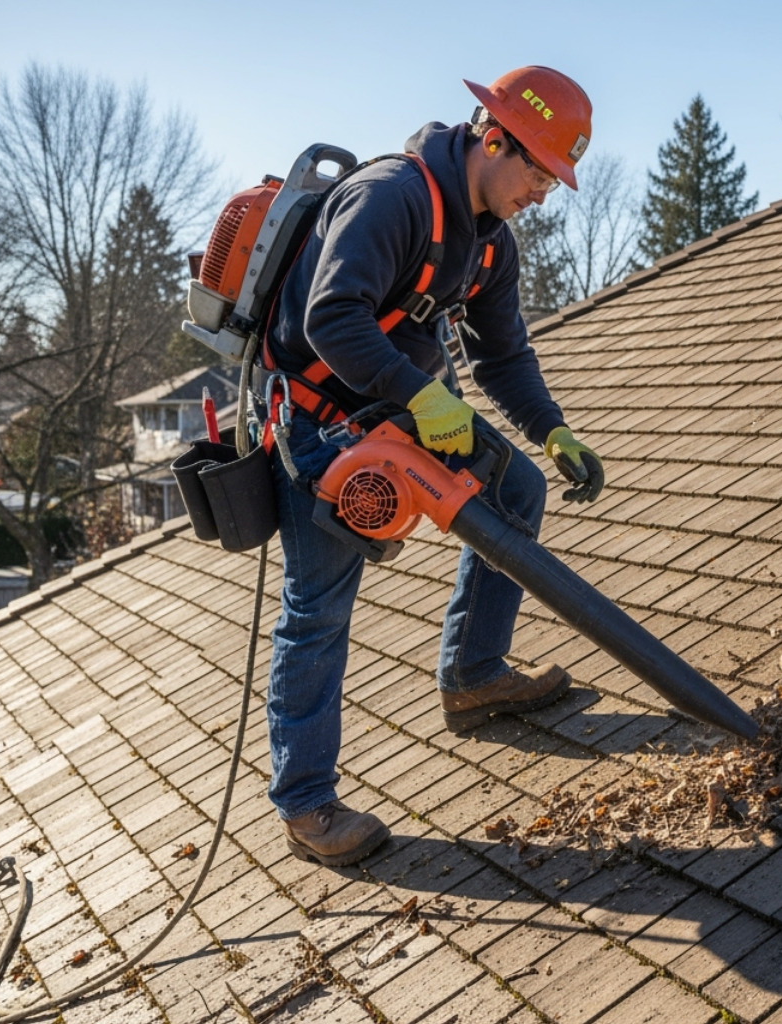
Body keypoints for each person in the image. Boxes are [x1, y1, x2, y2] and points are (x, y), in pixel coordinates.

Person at [259, 67, 605, 867]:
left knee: (514, 485)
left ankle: (474, 673)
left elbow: (503, 354)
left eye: (555, 183)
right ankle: (307, 806)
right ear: (494, 138)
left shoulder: (489, 245)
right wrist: (422, 396)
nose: (543, 196)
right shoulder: (392, 196)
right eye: (539, 174)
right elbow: (331, 318)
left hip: (402, 409)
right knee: (319, 610)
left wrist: (551, 432)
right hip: (320, 428)